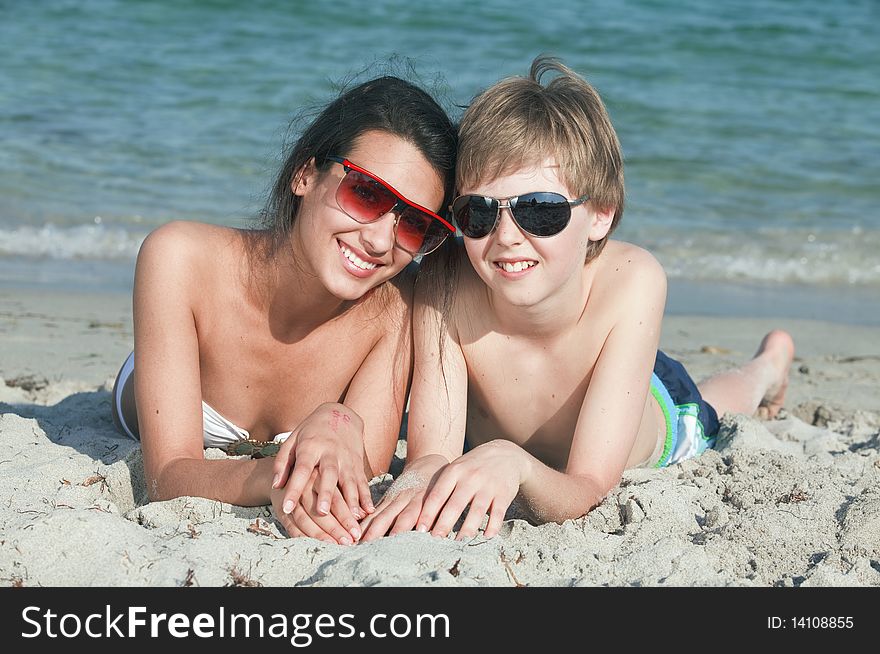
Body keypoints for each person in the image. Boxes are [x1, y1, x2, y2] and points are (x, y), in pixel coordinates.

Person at [360, 56, 794, 542]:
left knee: (713, 404)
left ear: (601, 216)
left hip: (652, 412)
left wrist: (517, 464)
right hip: (507, 445)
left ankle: (767, 367)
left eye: (539, 211)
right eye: (478, 213)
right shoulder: (444, 280)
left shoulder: (632, 280)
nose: (506, 237)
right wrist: (421, 478)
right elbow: (430, 457)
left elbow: (587, 486)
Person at [111, 74, 457, 545]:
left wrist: (338, 419)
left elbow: (367, 466)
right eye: (367, 193)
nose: (380, 240)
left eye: (415, 223)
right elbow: (167, 477)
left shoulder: (396, 304)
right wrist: (272, 479)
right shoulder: (179, 259)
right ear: (305, 174)